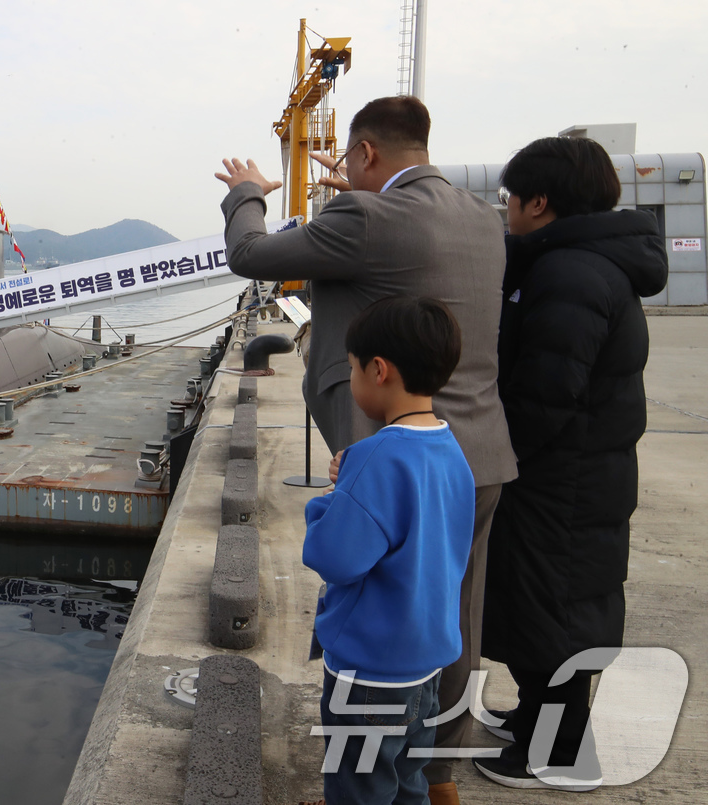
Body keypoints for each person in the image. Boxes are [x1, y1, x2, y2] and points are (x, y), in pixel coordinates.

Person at [215, 95, 516, 803]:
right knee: (451, 618)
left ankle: (369, 768)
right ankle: (436, 775)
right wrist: (361, 191)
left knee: (373, 603)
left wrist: (246, 193)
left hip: (388, 454)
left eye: (351, 159)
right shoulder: (481, 215)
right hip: (475, 454)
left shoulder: (364, 219)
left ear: (368, 154)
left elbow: (251, 254)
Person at [473, 137, 668, 791]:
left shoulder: (570, 273)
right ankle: (536, 722)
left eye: (510, 200)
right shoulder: (574, 264)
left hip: (562, 478)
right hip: (574, 472)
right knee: (546, 606)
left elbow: (547, 391)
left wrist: (500, 454)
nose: (507, 213)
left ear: (540, 201)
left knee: (552, 608)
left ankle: (557, 752)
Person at [305, 295, 474, 805]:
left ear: (378, 370)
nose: (352, 378)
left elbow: (333, 557)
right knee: (407, 784)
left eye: (353, 368)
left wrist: (331, 500)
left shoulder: (376, 456)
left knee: (359, 790)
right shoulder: (450, 449)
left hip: (368, 677)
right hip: (425, 669)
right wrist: (353, 482)